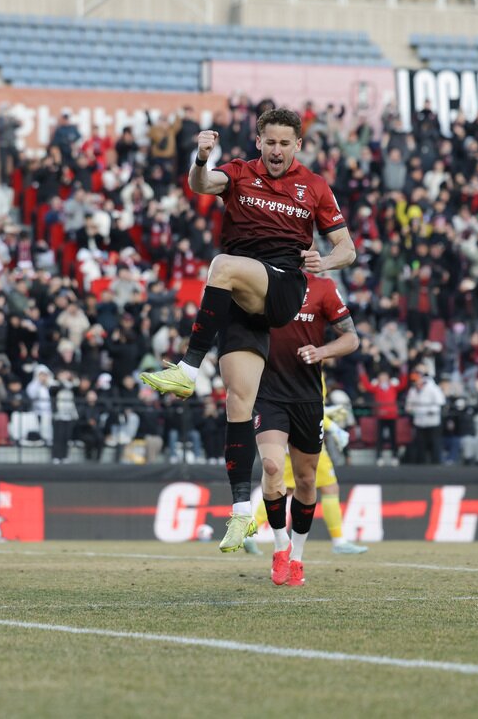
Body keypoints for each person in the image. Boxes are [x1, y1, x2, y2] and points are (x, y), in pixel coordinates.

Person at [141, 107, 354, 552]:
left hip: (280, 285)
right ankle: (241, 513)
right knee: (238, 402)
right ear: (258, 141)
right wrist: (200, 158)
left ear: (297, 145)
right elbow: (201, 185)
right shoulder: (238, 172)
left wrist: (325, 261)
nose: (276, 150)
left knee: (220, 264)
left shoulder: (314, 186)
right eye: (269, 142)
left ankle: (187, 367)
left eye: (284, 143)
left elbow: (346, 248)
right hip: (240, 299)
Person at [246, 274, 362, 585]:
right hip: (269, 396)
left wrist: (322, 351)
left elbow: (352, 338)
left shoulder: (323, 288)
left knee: (306, 481)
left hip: (308, 399)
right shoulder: (262, 282)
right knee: (271, 466)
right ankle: (280, 545)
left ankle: (297, 557)